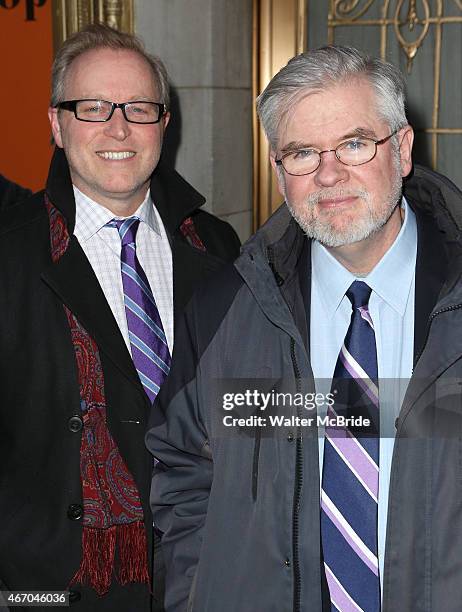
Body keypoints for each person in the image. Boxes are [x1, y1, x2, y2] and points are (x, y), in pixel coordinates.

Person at [147, 45, 462, 612]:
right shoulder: (226, 312)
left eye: (355, 143)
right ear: (278, 168)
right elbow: (185, 477)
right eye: (301, 153)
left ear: (404, 148)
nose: (329, 173)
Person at [0, 23, 240, 612]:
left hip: (203, 574)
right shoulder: (8, 256)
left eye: (138, 107)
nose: (118, 128)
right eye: (92, 107)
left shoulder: (218, 246)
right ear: (55, 124)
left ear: (164, 123)